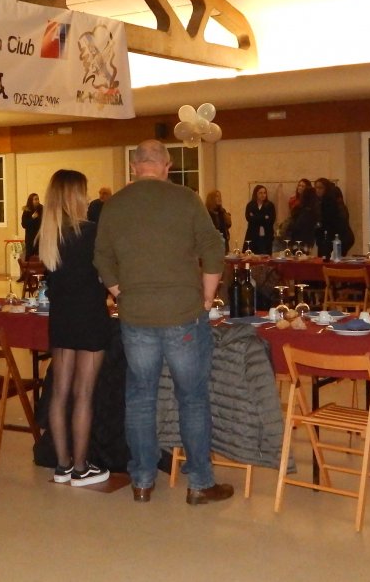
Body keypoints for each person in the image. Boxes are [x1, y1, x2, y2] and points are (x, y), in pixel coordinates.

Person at [94, 140, 232, 506]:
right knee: (192, 399)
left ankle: (141, 481)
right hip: (183, 314)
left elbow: (102, 257)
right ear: (167, 165)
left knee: (140, 398)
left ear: (134, 166)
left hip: (136, 315)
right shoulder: (186, 199)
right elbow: (213, 248)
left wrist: (120, 292)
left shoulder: (115, 204)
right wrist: (207, 298)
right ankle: (200, 483)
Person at [38, 170, 112, 487]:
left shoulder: (48, 235)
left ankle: (62, 465)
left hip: (61, 318)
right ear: (75, 195)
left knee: (59, 392)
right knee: (84, 393)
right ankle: (82, 468)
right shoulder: (91, 232)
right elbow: (106, 274)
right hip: (91, 317)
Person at [314, 178, 354, 258]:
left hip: (335, 238)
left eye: (320, 188)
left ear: (326, 189)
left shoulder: (330, 203)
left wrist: (318, 226)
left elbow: (329, 222)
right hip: (330, 238)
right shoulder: (320, 202)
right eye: (316, 188)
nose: (317, 190)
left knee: (331, 260)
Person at [243, 184, 275, 255]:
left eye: (264, 193)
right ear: (256, 194)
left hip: (266, 235)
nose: (263, 195)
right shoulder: (250, 205)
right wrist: (264, 217)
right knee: (251, 255)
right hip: (253, 235)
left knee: (265, 255)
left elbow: (270, 220)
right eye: (260, 193)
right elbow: (249, 219)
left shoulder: (270, 205)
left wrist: (255, 217)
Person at [286, 182, 319, 249]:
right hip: (307, 242)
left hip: (297, 241)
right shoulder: (315, 211)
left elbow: (295, 226)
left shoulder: (300, 209)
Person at [21, 193, 43, 258]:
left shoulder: (42, 209)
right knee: (29, 257)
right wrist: (32, 218)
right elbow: (24, 224)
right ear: (31, 201)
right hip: (30, 239)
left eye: (38, 199)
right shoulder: (27, 211)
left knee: (40, 258)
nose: (37, 201)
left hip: (40, 238)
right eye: (35, 199)